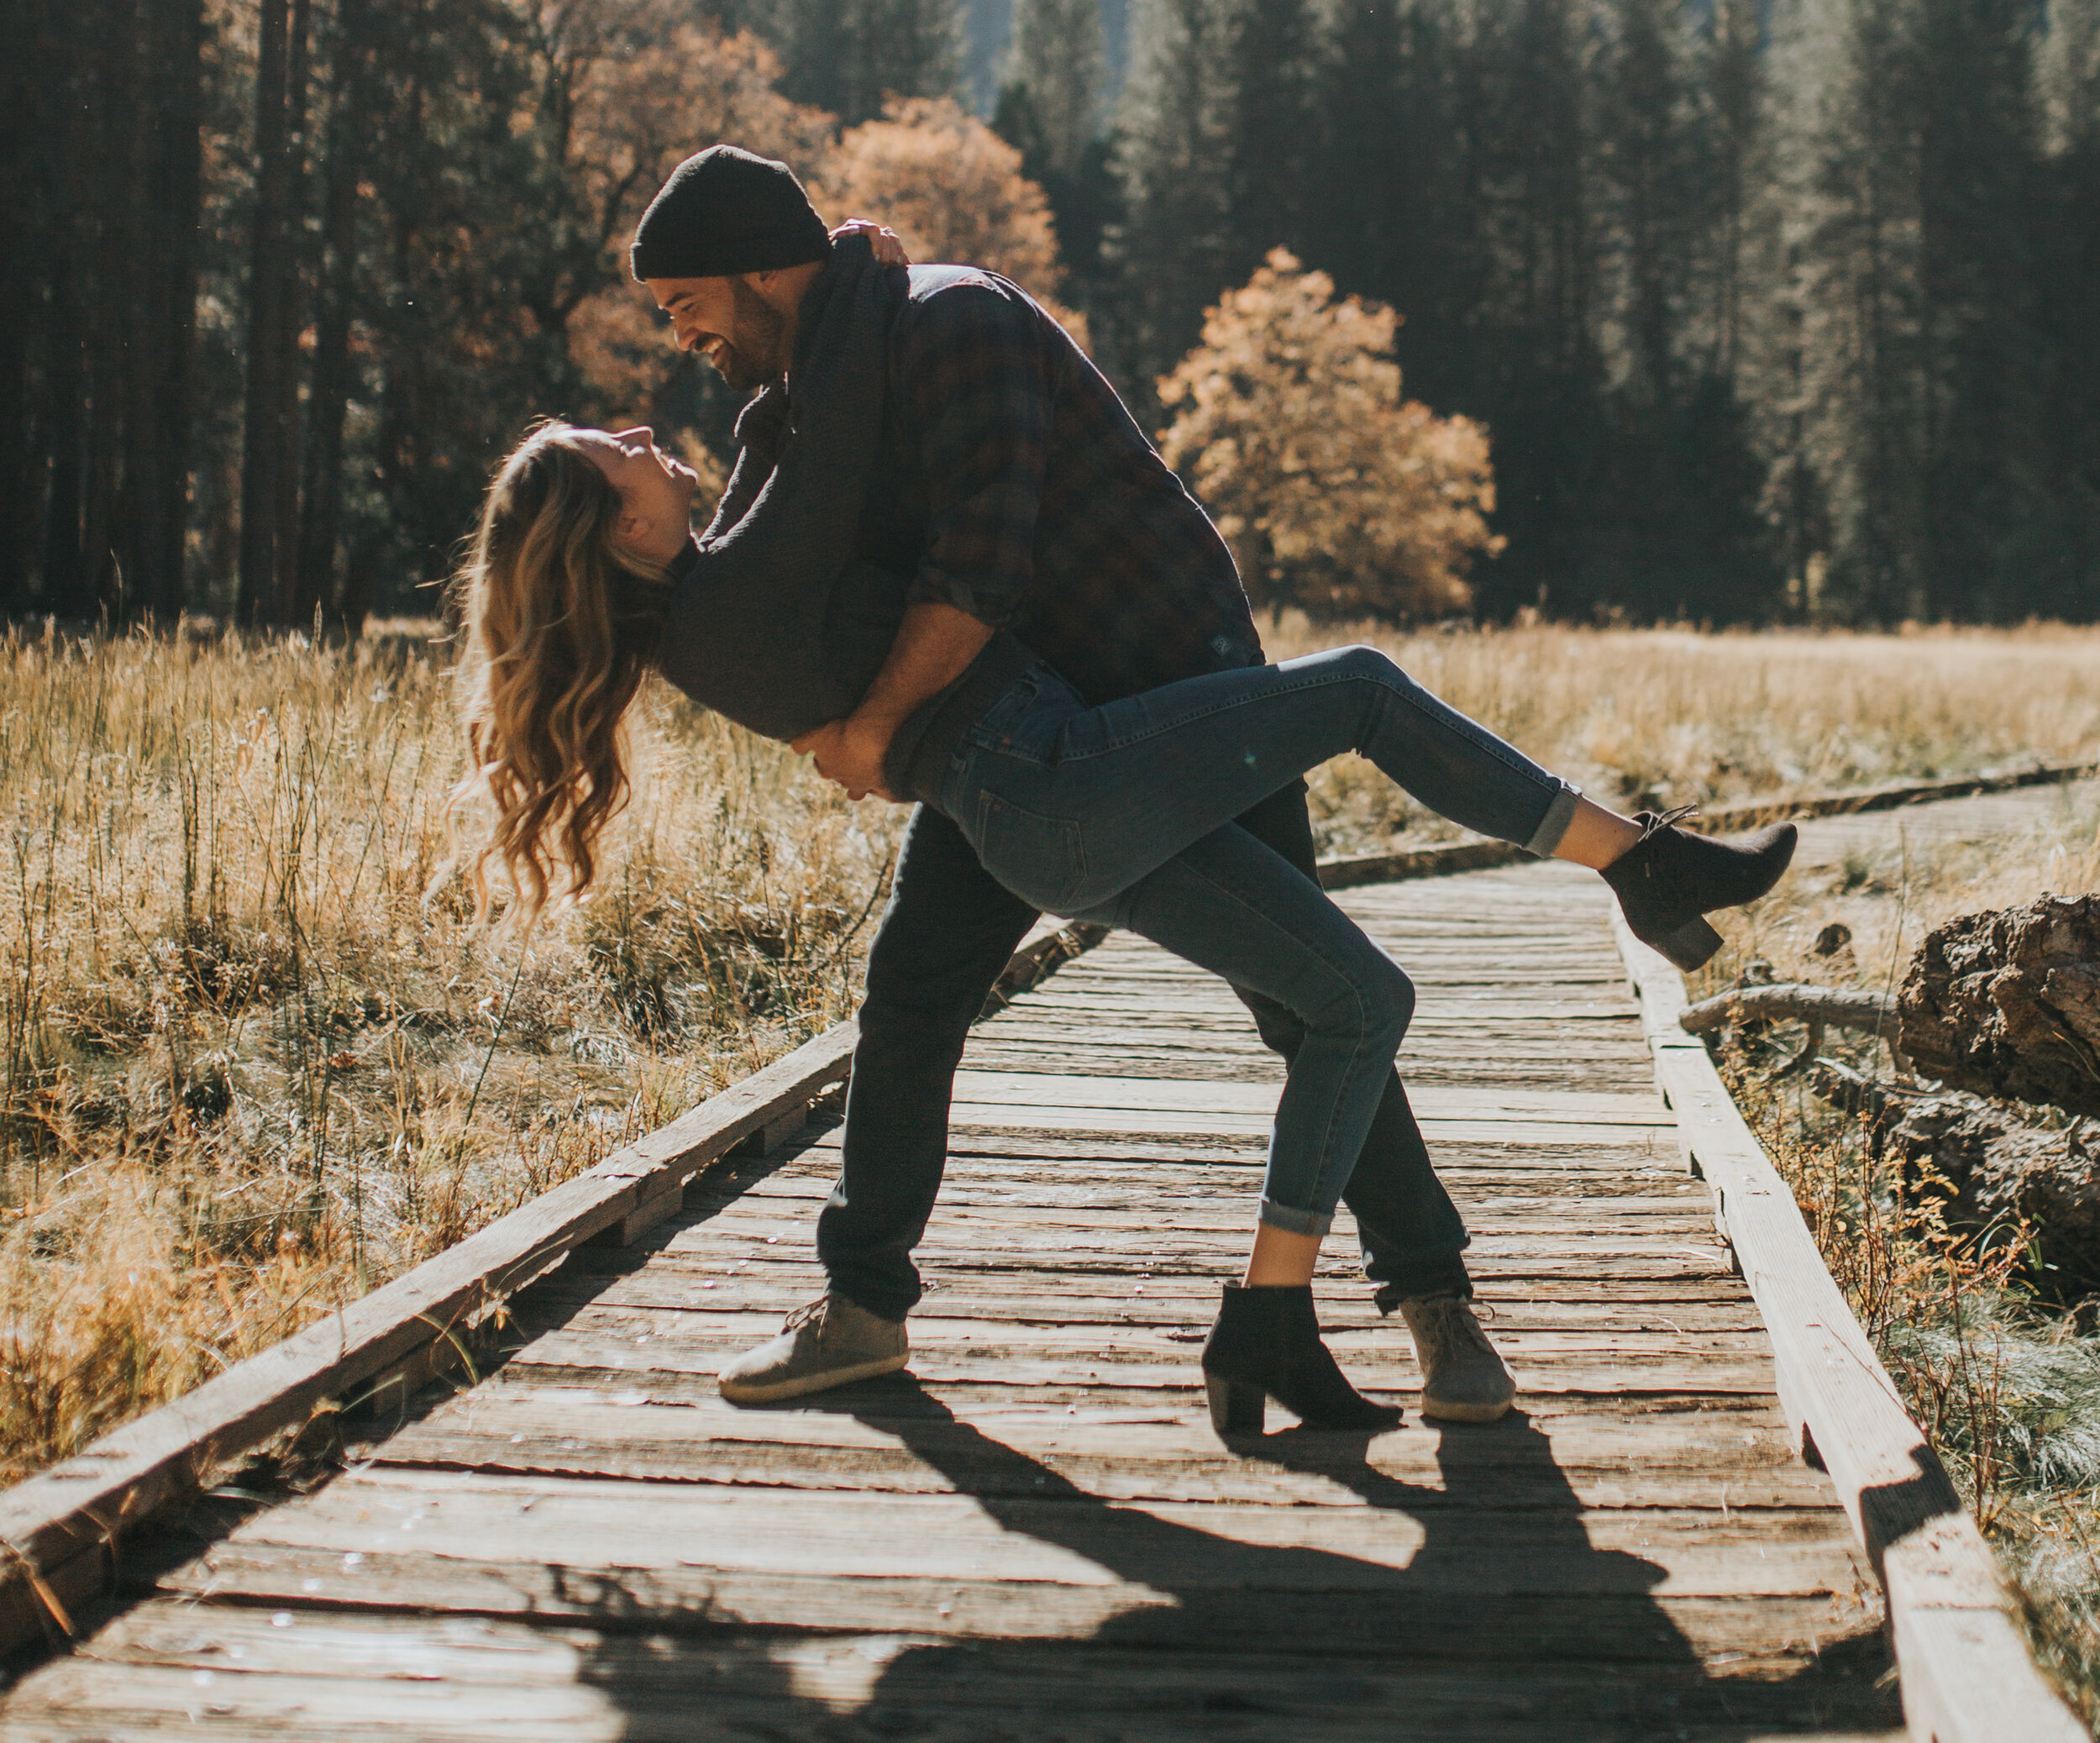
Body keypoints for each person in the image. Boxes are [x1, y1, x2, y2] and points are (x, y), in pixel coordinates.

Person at [457, 150, 1795, 1437]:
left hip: (1155, 679)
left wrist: (867, 727)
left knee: (1304, 997)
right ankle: (863, 1302)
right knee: (923, 988)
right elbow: (798, 503)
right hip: (1018, 742)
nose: (674, 342)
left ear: (755, 269)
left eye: (684, 302)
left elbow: (973, 568)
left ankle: (1436, 1302)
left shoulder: (946, 325)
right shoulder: (832, 379)